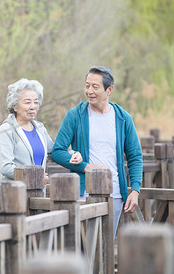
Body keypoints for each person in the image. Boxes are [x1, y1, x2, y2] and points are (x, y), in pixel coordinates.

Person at [51, 66, 143, 236]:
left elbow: (135, 156)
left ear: (109, 90)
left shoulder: (123, 118)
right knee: (82, 249)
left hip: (115, 193)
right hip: (82, 194)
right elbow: (57, 152)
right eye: (87, 86)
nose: (89, 91)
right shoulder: (75, 116)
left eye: (95, 87)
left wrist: (135, 190)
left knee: (105, 249)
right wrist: (85, 167)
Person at [0, 78, 83, 185]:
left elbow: (54, 152)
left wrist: (73, 154)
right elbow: (6, 167)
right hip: (11, 193)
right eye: (27, 102)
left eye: (36, 102)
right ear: (15, 106)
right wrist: (35, 177)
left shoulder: (40, 128)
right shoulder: (6, 131)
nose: (33, 107)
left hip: (36, 192)